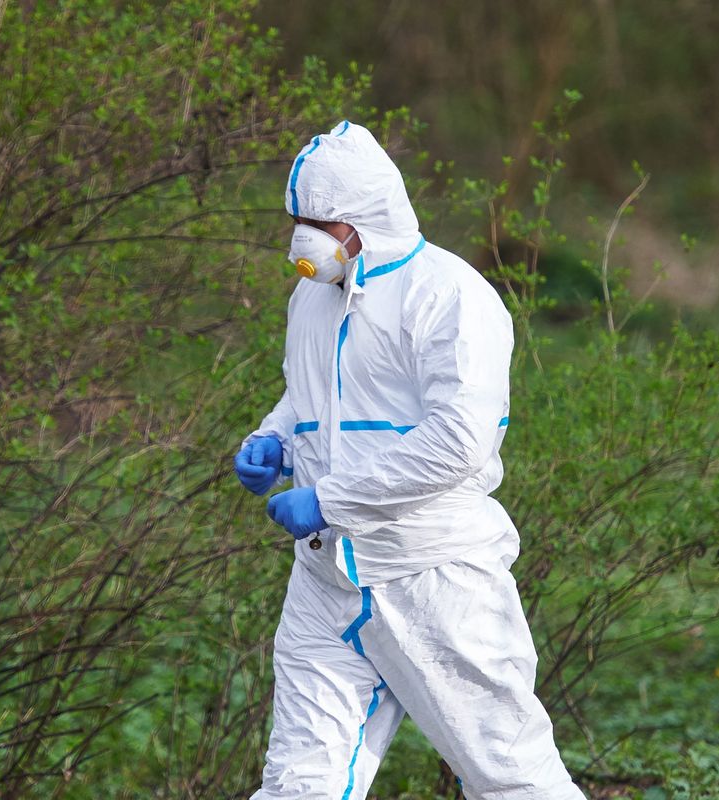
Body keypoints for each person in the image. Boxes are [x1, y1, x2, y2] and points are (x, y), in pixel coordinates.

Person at [234, 120, 586, 800]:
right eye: (298, 219)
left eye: (320, 222)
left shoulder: (449, 296)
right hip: (325, 582)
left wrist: (329, 498)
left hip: (433, 576)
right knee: (298, 784)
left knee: (512, 778)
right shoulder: (311, 297)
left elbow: (460, 438)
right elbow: (306, 388)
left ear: (365, 219)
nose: (302, 239)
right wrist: (272, 440)